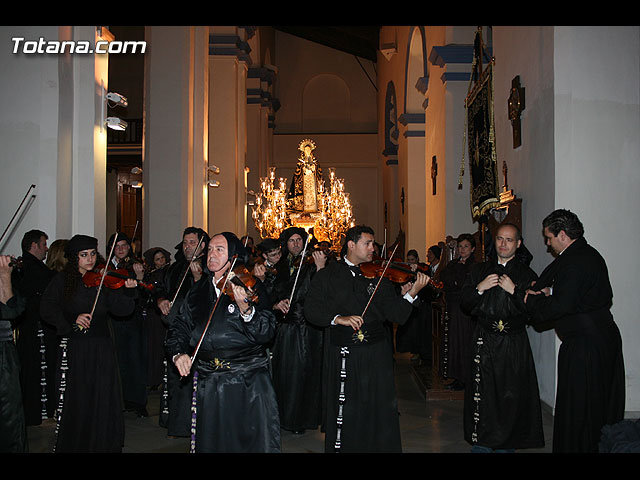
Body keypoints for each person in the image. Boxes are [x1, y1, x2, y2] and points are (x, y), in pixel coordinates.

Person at [304, 225, 429, 452]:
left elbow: (396, 314)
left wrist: (411, 294)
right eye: (368, 244)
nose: (373, 248)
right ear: (351, 245)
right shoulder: (328, 274)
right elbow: (311, 310)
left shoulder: (378, 274)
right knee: (347, 406)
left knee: (378, 406)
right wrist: (337, 318)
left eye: (373, 244)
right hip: (344, 352)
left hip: (376, 353)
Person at [165, 232, 280, 453]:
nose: (212, 254)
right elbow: (179, 327)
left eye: (219, 249)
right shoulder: (198, 291)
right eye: (209, 249)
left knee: (246, 443)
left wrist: (246, 309)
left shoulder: (250, 286)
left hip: (246, 380)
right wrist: (178, 354)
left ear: (233, 256)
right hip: (209, 380)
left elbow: (267, 332)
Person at [524, 209, 625, 453]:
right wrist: (551, 292)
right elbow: (580, 295)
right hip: (600, 339)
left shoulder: (574, 262)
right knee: (598, 404)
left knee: (583, 407)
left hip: (586, 346)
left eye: (549, 238)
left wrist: (532, 301)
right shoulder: (587, 254)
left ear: (562, 235)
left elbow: (562, 306)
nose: (547, 244)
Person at [40, 234, 138, 453]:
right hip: (76, 347)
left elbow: (122, 310)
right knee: (79, 395)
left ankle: (102, 441)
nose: (90, 259)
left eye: (93, 254)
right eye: (84, 255)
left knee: (102, 394)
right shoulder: (63, 280)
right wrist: (70, 321)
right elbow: (46, 308)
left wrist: (129, 292)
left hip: (101, 346)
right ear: (74, 257)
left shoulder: (102, 280)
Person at [460, 223, 544, 452]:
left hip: (513, 343)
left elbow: (536, 311)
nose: (503, 244)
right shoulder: (479, 270)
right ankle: (482, 444)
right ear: (494, 241)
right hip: (484, 341)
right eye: (499, 239)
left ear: (518, 244)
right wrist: (479, 288)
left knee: (511, 396)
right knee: (484, 396)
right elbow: (465, 303)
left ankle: (507, 445)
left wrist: (514, 291)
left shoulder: (527, 275)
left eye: (509, 240)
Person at [154, 227, 209, 437]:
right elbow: (161, 290)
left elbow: (207, 300)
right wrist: (161, 301)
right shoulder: (175, 268)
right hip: (175, 332)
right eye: (185, 242)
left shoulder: (209, 267)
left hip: (197, 335)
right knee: (176, 381)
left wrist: (198, 279)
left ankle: (195, 425)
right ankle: (177, 424)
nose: (187, 247)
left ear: (202, 245)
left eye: (192, 242)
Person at [270, 227, 326, 434]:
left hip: (306, 329)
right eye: (291, 241)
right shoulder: (281, 265)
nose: (296, 244)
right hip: (284, 329)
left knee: (304, 374)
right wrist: (276, 305)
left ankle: (301, 419)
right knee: (284, 374)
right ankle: (283, 416)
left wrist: (320, 268)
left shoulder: (313, 263)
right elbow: (270, 293)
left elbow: (324, 293)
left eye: (299, 240)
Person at [11, 229, 57, 426]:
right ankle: (39, 412)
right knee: (38, 369)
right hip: (34, 326)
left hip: (33, 325)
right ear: (34, 245)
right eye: (44, 244)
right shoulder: (30, 267)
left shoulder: (35, 266)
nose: (46, 249)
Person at [107, 232, 148, 418]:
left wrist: (139, 278)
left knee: (134, 360)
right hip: (112, 320)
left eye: (124, 245)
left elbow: (145, 295)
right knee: (116, 362)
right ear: (111, 249)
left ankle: (138, 402)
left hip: (132, 320)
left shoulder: (135, 266)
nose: (122, 249)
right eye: (117, 246)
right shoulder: (105, 267)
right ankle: (118, 401)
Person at [439, 233, 476, 391]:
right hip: (452, 306)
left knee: (463, 342)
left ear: (473, 249)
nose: (462, 249)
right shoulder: (453, 263)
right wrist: (453, 282)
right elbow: (444, 279)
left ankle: (465, 378)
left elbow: (463, 283)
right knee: (453, 341)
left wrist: (454, 281)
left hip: (465, 309)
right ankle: (455, 376)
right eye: (460, 246)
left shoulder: (474, 265)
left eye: (466, 246)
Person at [0, 255, 28, 452]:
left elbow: (12, 311)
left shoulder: (11, 275)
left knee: (9, 416)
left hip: (3, 356)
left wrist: (5, 276)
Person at [142, 246, 172, 389]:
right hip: (152, 315)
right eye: (157, 260)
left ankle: (161, 378)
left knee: (161, 347)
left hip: (163, 314)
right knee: (152, 347)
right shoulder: (150, 275)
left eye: (162, 259)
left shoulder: (168, 272)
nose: (161, 262)